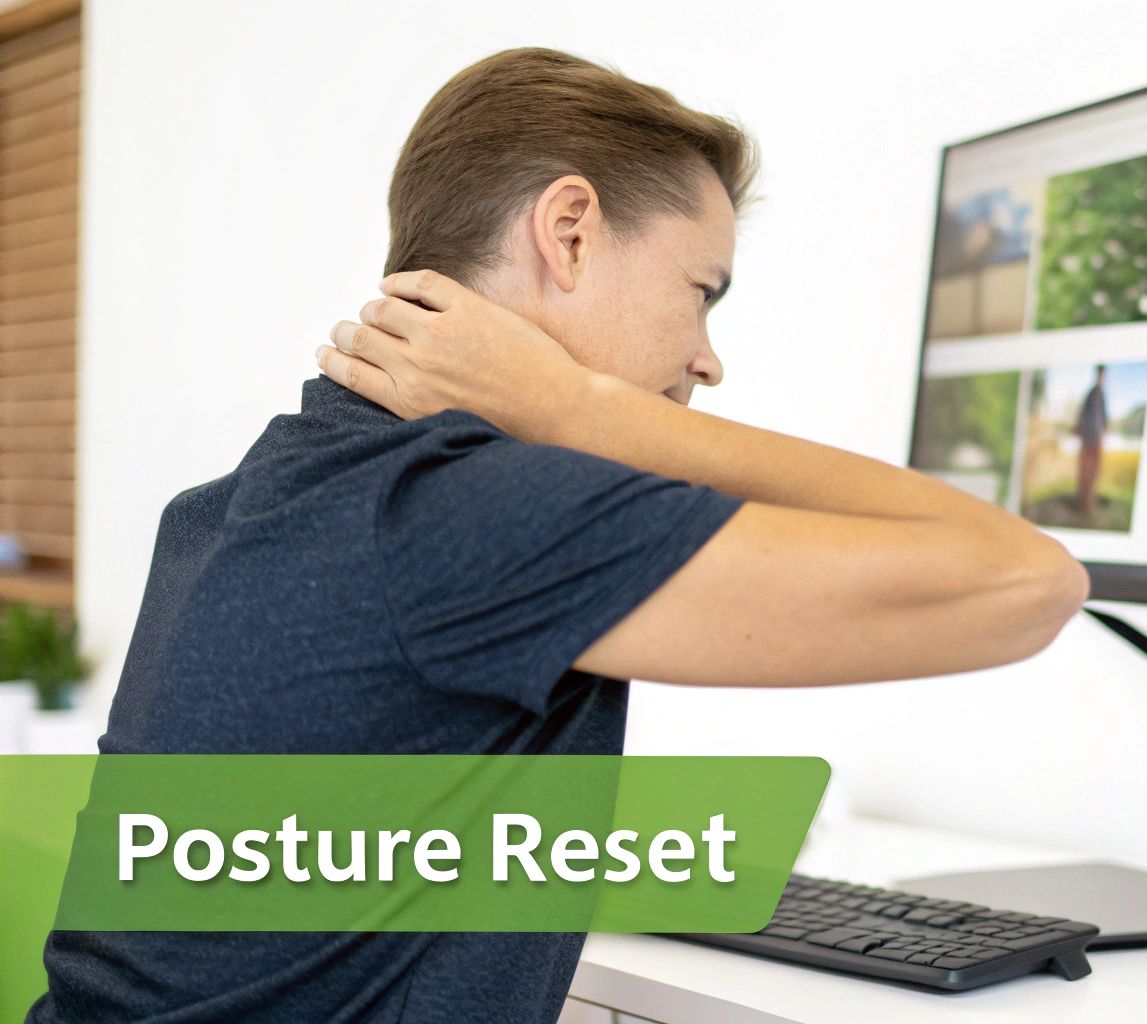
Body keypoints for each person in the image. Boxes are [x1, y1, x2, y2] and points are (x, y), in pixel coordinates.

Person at [29, 47, 1085, 1024]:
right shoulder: (465, 507)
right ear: (569, 230)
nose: (706, 359)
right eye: (698, 292)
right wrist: (586, 408)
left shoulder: (239, 501)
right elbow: (1026, 578)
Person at [1074, 364, 1109, 516]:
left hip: (1096, 440)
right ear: (1098, 374)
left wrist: (1102, 434)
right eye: (1101, 374)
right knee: (1086, 471)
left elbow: (1104, 419)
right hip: (1089, 440)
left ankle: (1088, 503)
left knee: (1093, 472)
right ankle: (1083, 504)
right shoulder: (1092, 393)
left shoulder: (1101, 394)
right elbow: (1082, 416)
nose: (1102, 377)